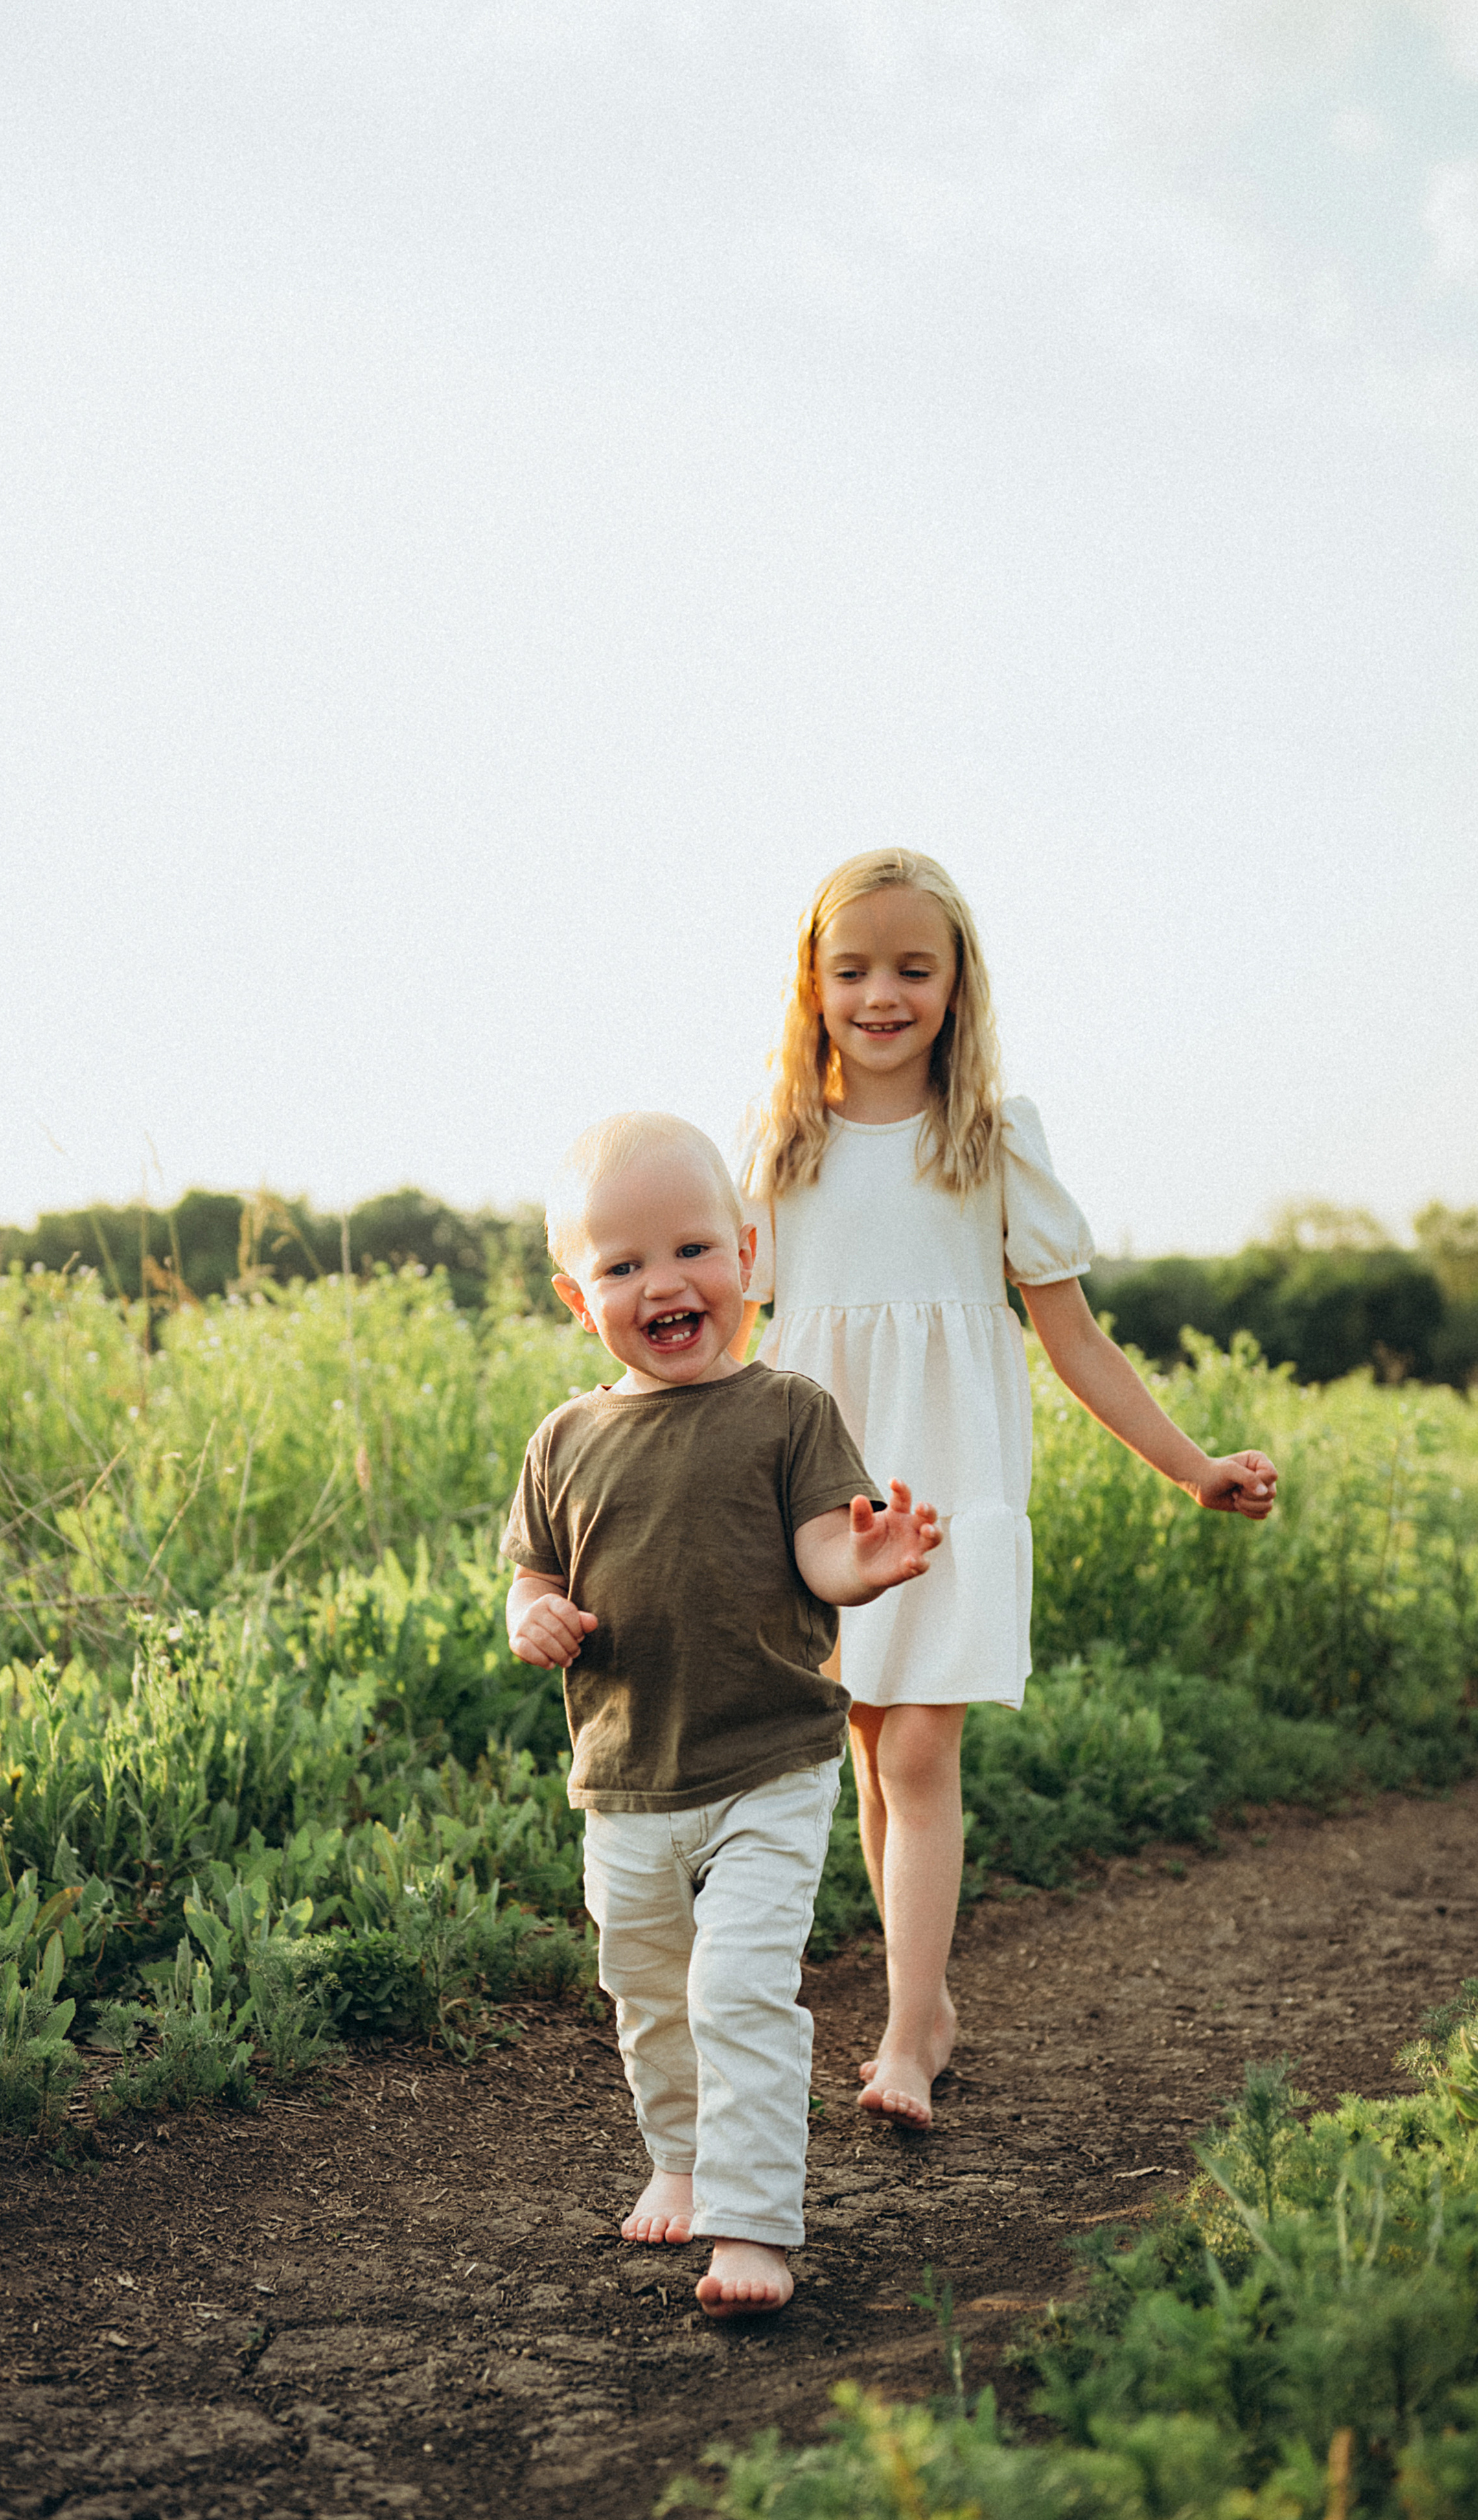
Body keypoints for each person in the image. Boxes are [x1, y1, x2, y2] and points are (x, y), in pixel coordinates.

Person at [733, 849, 1279, 2130]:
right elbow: (721, 1326)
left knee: (921, 1744)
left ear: (954, 983)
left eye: (911, 968)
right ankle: (923, 2005)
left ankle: (903, 2042)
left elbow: (1072, 1338)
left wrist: (1190, 1466)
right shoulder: (778, 1143)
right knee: (871, 1747)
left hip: (953, 1480)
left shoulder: (990, 1139)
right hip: (822, 1488)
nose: (881, 993)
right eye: (851, 966)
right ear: (809, 982)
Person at [503, 1110, 941, 2317]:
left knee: (739, 1986)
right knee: (647, 1994)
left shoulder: (786, 1411)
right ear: (573, 1293)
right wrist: (528, 1617)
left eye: (693, 1249)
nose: (666, 1284)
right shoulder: (564, 1440)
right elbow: (535, 1572)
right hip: (626, 1777)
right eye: (624, 1265)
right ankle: (683, 2160)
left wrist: (871, 1561)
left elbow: (820, 1557)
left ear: (747, 1252)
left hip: (768, 1761)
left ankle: (752, 2224)